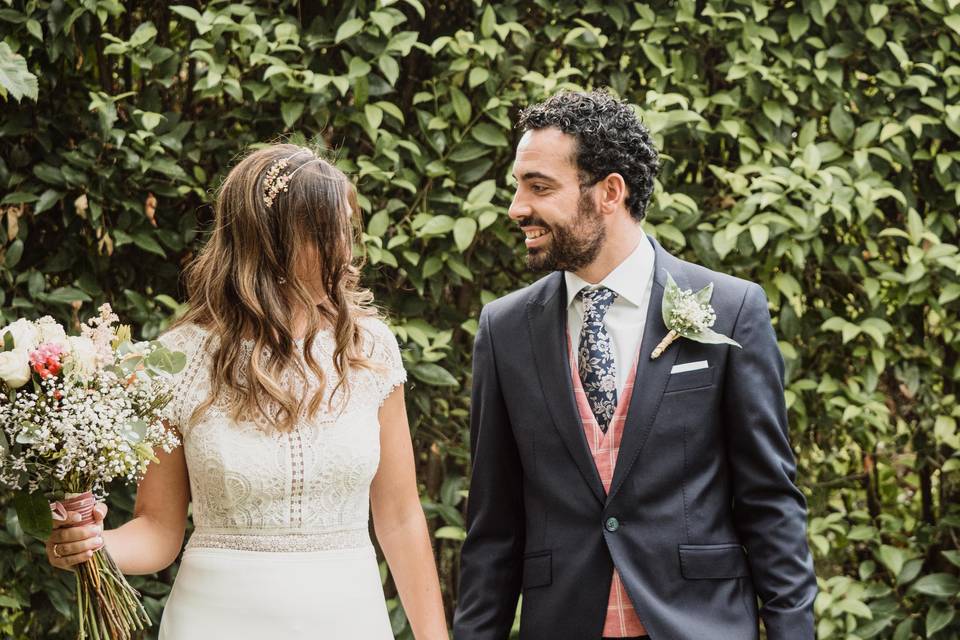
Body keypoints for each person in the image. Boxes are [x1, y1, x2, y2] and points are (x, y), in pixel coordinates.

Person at [43, 144, 449, 639]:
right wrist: (92, 546)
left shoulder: (371, 350)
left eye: (346, 228)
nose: (346, 249)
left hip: (350, 620)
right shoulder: (179, 361)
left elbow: (402, 518)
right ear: (268, 240)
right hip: (215, 622)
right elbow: (157, 530)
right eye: (326, 233)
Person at [453, 91, 817, 640]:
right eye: (517, 187)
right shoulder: (504, 330)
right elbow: (493, 527)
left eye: (539, 186)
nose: (516, 208)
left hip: (698, 624)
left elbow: (769, 503)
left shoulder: (732, 308)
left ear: (610, 192)